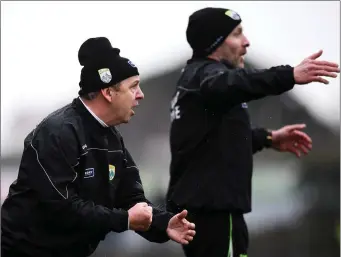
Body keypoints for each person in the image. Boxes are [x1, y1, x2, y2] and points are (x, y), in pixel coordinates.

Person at [165, 7, 340, 257]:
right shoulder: (209, 78)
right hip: (215, 214)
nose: (246, 42)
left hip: (213, 213)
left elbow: (215, 141)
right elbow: (234, 84)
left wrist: (268, 138)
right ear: (214, 42)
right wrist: (288, 75)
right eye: (237, 34)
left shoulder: (196, 81)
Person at [1, 37, 196, 257]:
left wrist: (164, 223)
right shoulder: (57, 133)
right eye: (133, 87)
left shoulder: (111, 138)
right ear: (108, 92)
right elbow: (62, 209)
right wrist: (125, 220)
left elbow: (130, 199)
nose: (140, 94)